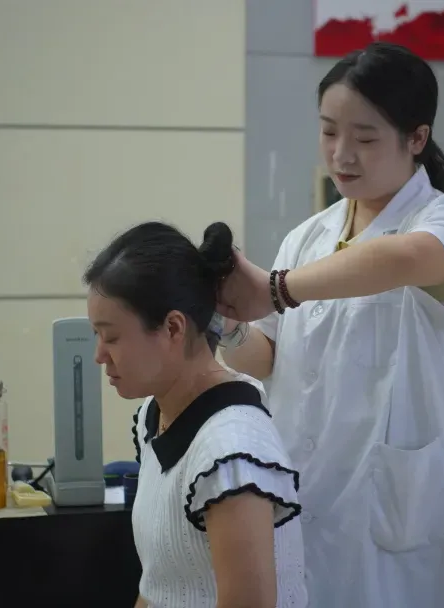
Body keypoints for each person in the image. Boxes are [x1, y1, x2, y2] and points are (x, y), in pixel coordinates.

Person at [218, 42, 444, 607]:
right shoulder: (308, 237)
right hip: (304, 487)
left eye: (365, 138)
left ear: (416, 138)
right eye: (328, 132)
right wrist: (227, 324)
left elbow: (400, 259)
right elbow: (270, 356)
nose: (341, 154)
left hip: (394, 505)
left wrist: (275, 288)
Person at [85, 221, 308, 608]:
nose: (99, 355)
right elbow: (158, 586)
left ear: (173, 327)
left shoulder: (232, 449)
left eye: (112, 337)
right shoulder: (153, 415)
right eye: (96, 336)